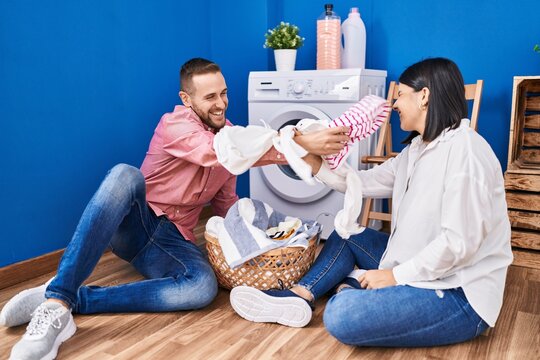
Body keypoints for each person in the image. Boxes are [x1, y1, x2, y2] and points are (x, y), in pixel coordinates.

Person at [0, 57, 349, 360]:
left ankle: (73, 295)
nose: (221, 103)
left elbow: (226, 202)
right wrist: (298, 143)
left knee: (201, 288)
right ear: (187, 98)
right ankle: (57, 303)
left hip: (173, 239)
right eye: (210, 96)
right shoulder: (177, 125)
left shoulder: (233, 137)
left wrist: (244, 250)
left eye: (224, 93)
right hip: (140, 222)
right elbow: (213, 152)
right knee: (124, 174)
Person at [230, 57, 514, 347]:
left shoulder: (465, 153)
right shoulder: (417, 149)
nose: (395, 104)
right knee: (345, 232)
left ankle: (351, 285)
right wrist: (313, 160)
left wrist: (394, 275)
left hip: (459, 292)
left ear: (424, 96)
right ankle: (301, 295)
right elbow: (362, 183)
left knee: (341, 315)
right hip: (420, 262)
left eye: (400, 94)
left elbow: (458, 244)